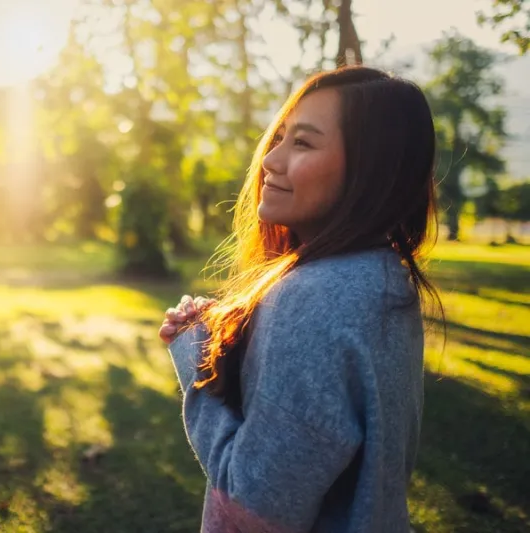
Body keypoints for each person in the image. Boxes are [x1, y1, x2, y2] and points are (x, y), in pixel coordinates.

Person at [158, 66, 442, 533]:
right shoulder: (383, 277)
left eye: (304, 143)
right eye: (282, 136)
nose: (270, 160)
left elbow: (252, 511)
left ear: (370, 170)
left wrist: (194, 364)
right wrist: (224, 345)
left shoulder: (314, 297)